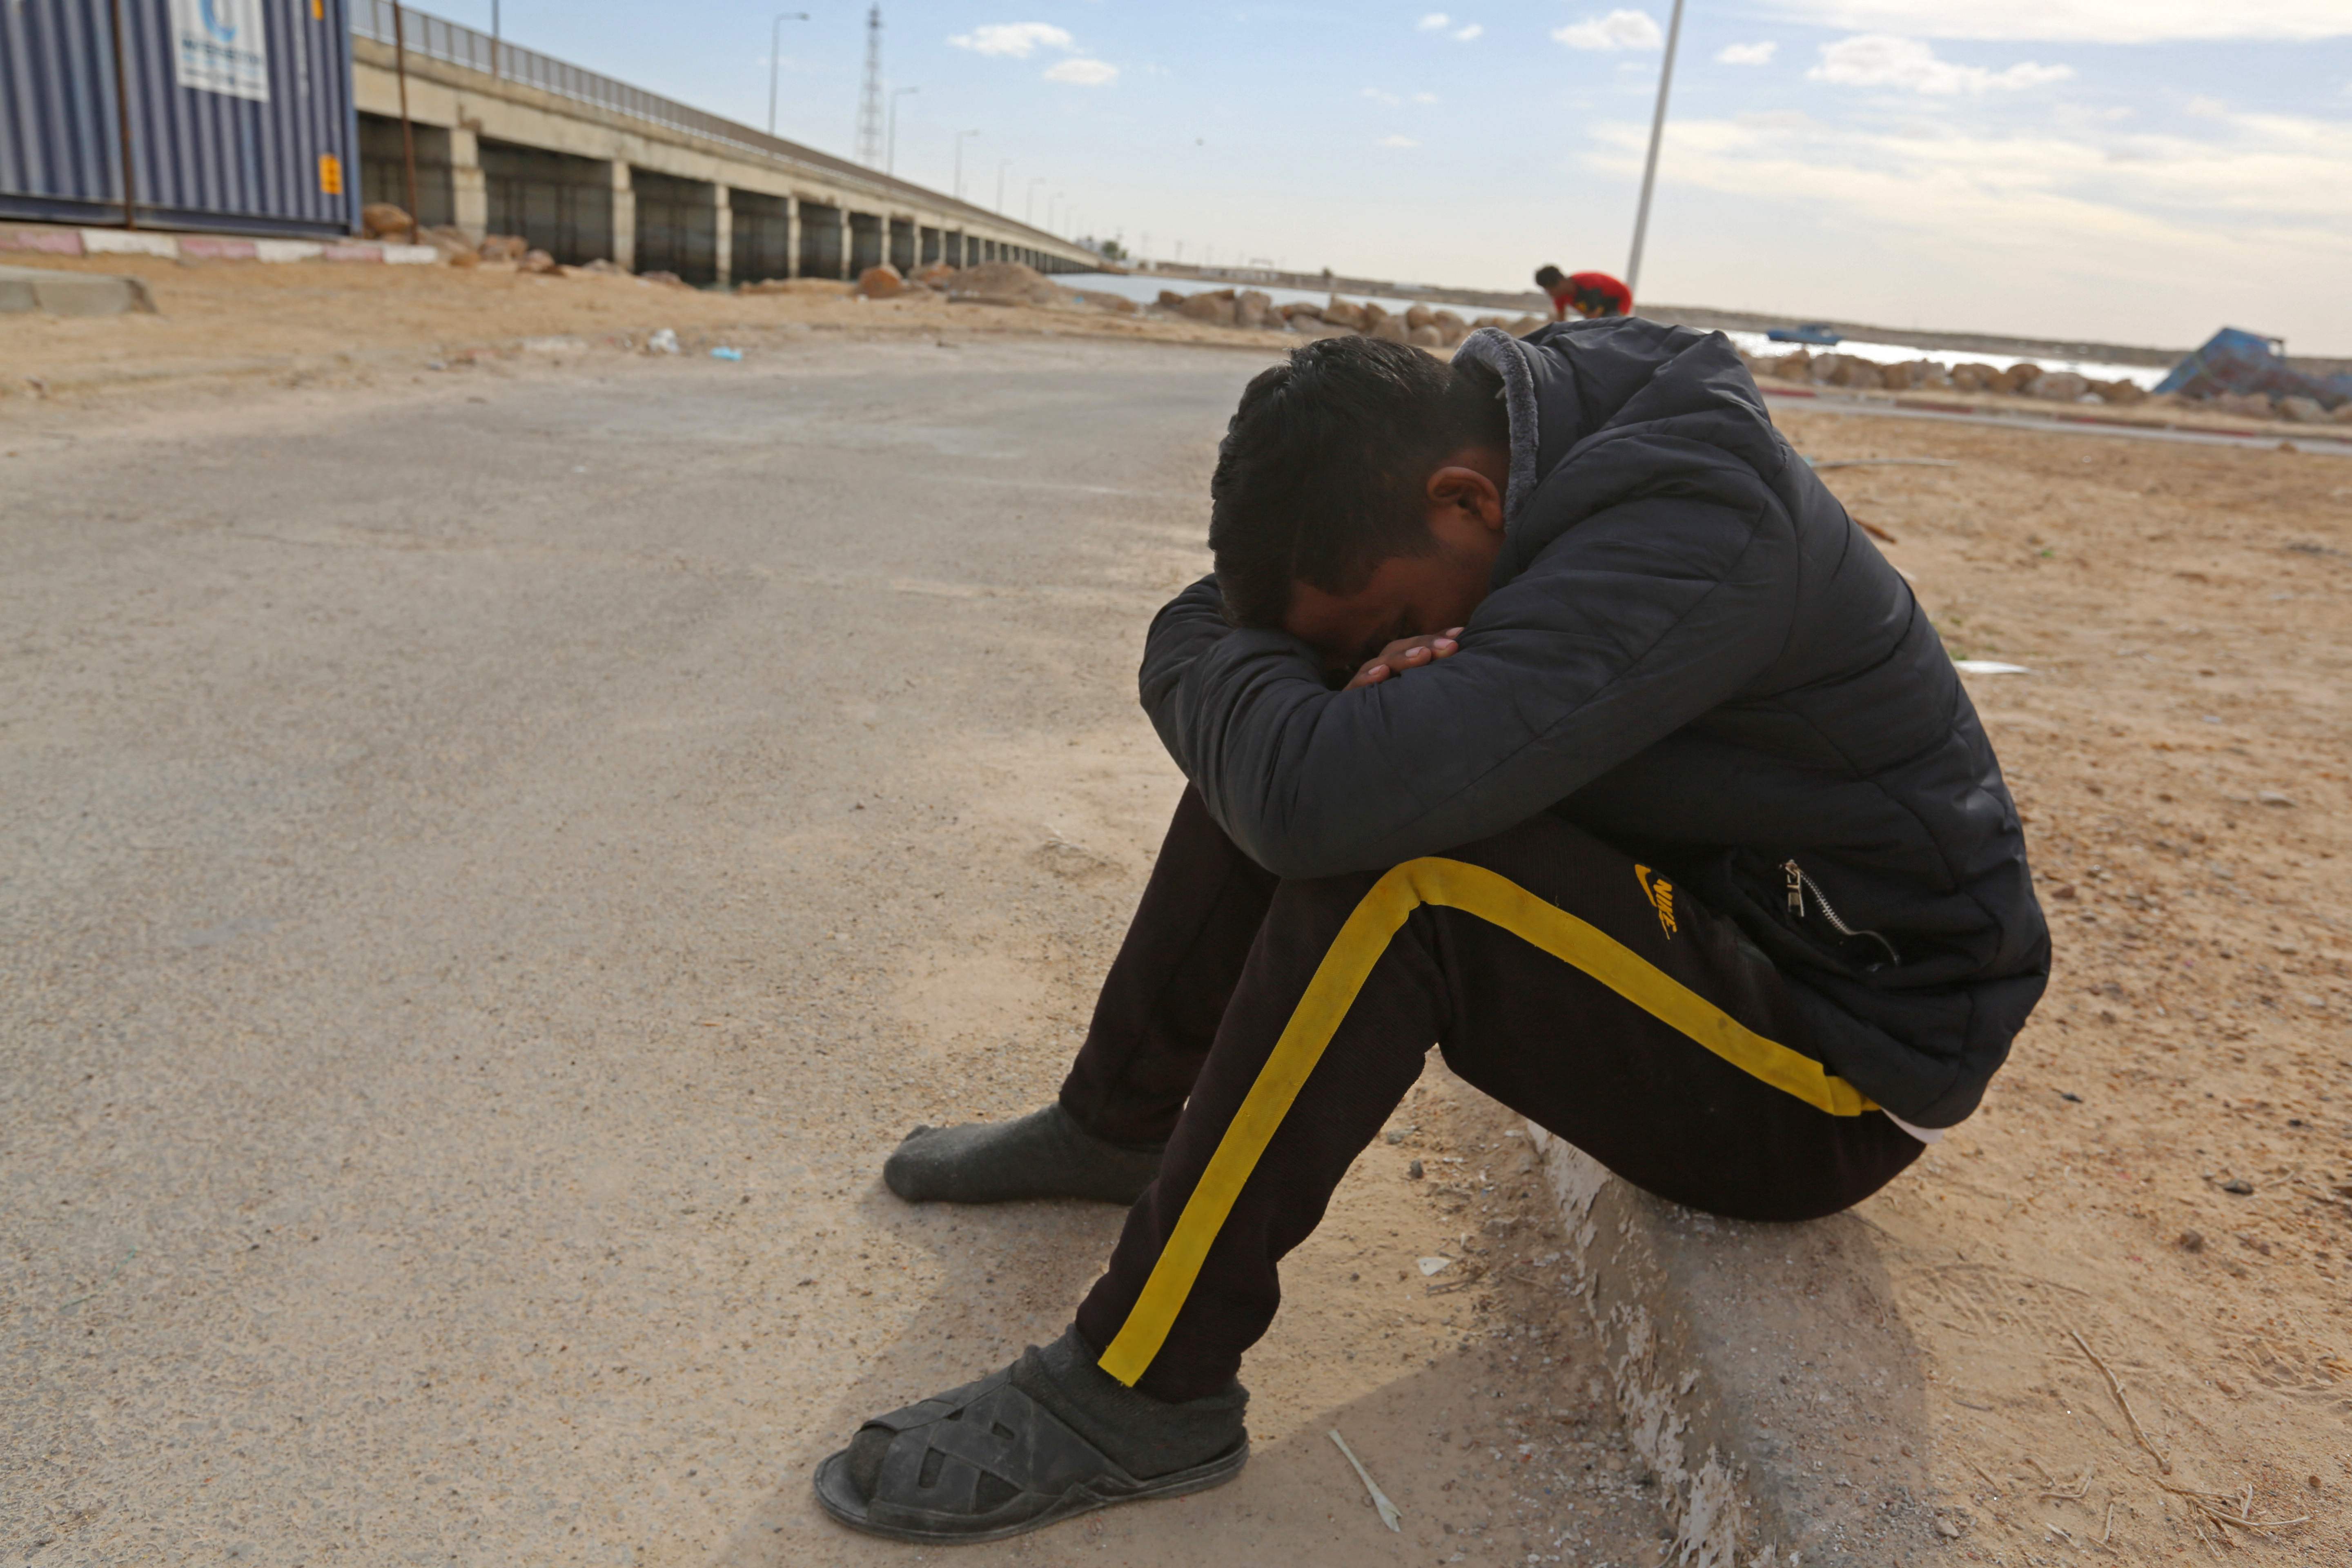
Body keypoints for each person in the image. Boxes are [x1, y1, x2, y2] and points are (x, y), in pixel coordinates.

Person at [812, 323, 2048, 1544]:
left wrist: (1303, 712)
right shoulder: (1510, 448)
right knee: (1301, 721)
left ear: (1462, 501)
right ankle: (1118, 1123)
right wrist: (1317, 678)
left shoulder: (1698, 528)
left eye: (1389, 606)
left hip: (1831, 1062)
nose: (1379, 632)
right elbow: (1242, 673)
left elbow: (1312, 795)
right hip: (1708, 920)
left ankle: (1146, 1386)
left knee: (1388, 853)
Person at [1535, 263, 1632, 321]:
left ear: (1560, 283)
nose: (1550, 294)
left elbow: (1593, 317)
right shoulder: (1560, 296)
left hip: (1618, 301)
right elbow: (1561, 320)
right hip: (1595, 309)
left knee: (1606, 326)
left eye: (1550, 290)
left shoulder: (1587, 284)